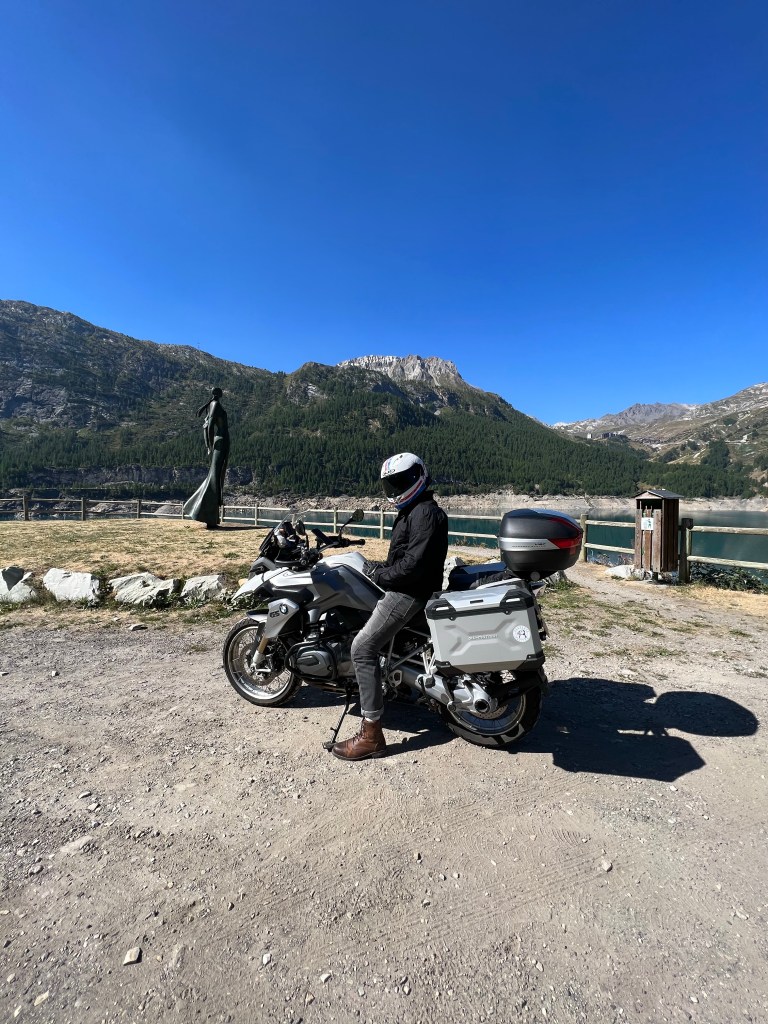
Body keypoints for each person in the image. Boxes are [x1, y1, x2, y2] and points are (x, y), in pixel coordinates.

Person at [332, 453, 448, 761]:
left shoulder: (424, 513)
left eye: (401, 481)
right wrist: (378, 567)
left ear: (419, 476)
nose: (396, 489)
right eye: (391, 484)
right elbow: (404, 558)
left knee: (362, 648)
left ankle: (371, 734)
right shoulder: (414, 510)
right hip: (409, 588)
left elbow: (412, 567)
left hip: (408, 593)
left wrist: (379, 575)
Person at [183, 387, 230, 528]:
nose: (222, 393)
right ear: (217, 394)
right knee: (215, 476)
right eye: (220, 392)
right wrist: (209, 445)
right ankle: (206, 514)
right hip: (221, 440)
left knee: (215, 476)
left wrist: (209, 444)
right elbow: (209, 426)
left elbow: (207, 425)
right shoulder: (215, 405)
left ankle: (209, 515)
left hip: (220, 440)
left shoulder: (212, 405)